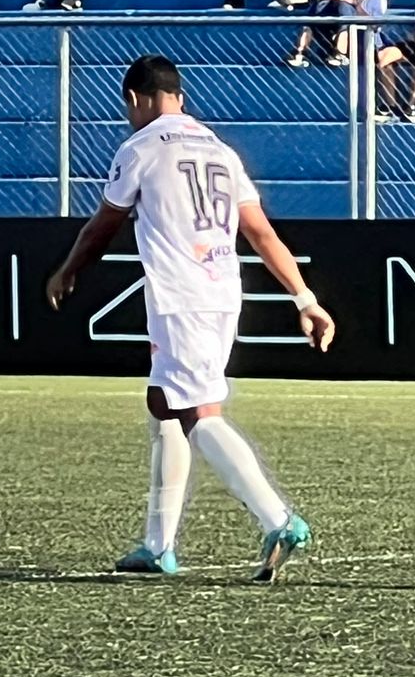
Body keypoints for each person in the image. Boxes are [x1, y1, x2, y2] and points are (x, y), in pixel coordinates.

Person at [46, 54, 333, 580]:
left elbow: (102, 225)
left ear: (136, 99)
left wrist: (67, 271)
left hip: (182, 297)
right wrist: (304, 297)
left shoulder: (140, 148)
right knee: (164, 402)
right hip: (223, 290)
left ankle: (279, 518)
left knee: (199, 413)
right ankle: (158, 544)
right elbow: (261, 233)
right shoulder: (220, 150)